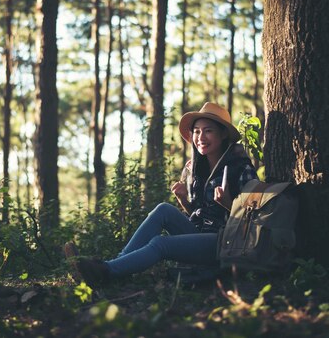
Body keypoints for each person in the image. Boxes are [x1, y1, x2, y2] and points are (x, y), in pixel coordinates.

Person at [65, 102, 258, 287]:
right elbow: (199, 212)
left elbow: (254, 220)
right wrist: (183, 200)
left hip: (224, 242)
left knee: (160, 244)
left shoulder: (241, 168)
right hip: (200, 234)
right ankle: (115, 265)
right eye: (197, 131)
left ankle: (105, 272)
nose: (201, 137)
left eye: (208, 131)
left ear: (223, 134)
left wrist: (228, 204)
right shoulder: (198, 169)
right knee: (164, 209)